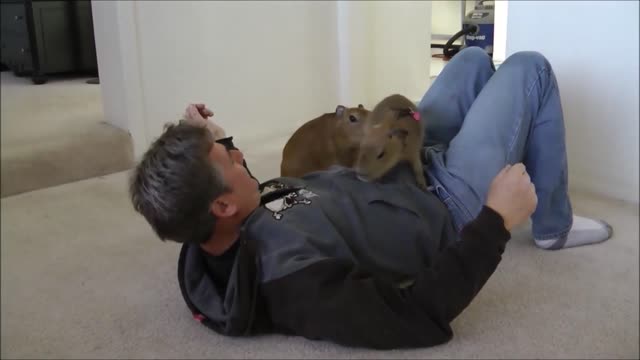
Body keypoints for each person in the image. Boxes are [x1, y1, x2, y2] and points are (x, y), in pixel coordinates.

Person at [129, 48, 612, 349]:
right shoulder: (294, 282)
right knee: (531, 68)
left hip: (394, 165)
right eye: (228, 160)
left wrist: (208, 140)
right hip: (450, 205)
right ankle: (553, 227)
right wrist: (496, 219)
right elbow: (415, 316)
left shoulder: (218, 229)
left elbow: (255, 197)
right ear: (221, 206)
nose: (239, 157)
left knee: (470, 60)